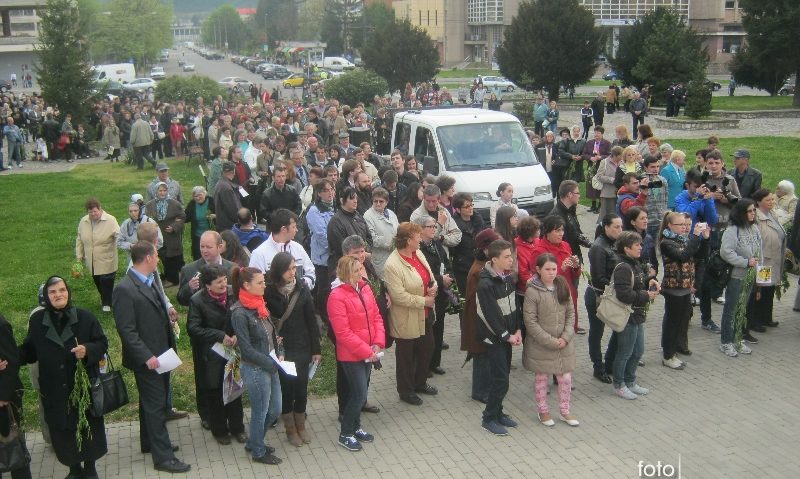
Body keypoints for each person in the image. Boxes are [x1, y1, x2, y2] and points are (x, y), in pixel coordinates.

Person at [19, 276, 108, 479]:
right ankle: (74, 469)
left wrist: (88, 350)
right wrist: (10, 358)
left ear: (68, 292)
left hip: (81, 387)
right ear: (46, 297)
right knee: (63, 430)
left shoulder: (85, 318)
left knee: (87, 426)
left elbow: (102, 343)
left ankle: (90, 468)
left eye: (61, 290)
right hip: (55, 388)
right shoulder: (37, 321)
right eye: (52, 292)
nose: (58, 294)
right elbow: (30, 350)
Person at [113, 242, 190, 473]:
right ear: (147, 258)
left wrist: (168, 315)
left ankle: (148, 442)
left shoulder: (150, 279)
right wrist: (146, 356)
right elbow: (126, 330)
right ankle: (163, 458)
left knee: (151, 403)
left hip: (162, 354)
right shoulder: (125, 289)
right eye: (156, 255)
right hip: (148, 360)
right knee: (156, 406)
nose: (158, 259)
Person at [327, 256, 385, 451]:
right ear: (344, 273)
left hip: (369, 352)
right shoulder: (336, 296)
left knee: (361, 392)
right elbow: (342, 333)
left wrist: (377, 342)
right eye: (355, 270)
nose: (360, 273)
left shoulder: (365, 288)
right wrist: (366, 350)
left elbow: (376, 316)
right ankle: (345, 433)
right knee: (359, 394)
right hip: (351, 355)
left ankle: (356, 427)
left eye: (360, 268)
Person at [186, 263, 246, 445]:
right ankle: (219, 430)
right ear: (207, 285)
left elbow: (241, 314)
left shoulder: (232, 293)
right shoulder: (197, 301)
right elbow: (193, 328)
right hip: (211, 355)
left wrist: (236, 333)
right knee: (215, 393)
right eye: (219, 282)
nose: (224, 285)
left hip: (232, 352)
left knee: (234, 390)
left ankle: (238, 428)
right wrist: (220, 336)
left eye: (225, 280)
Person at [229, 266, 283, 465]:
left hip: (271, 365)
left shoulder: (260, 304)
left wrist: (280, 352)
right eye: (260, 282)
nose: (264, 285)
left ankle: (254, 440)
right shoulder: (239, 313)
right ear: (246, 285)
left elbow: (272, 333)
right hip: (255, 369)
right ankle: (258, 452)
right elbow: (246, 349)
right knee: (260, 412)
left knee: (275, 409)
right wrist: (271, 362)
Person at [266, 253, 321, 448]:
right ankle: (290, 428)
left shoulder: (302, 288)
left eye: (295, 268)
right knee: (287, 389)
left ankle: (301, 425)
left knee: (301, 388)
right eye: (289, 269)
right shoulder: (269, 292)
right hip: (283, 349)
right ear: (279, 271)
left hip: (302, 346)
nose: (293, 272)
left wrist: (316, 348)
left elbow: (311, 321)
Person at [383, 222, 438, 406]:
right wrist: (424, 301)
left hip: (424, 313)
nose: (421, 239)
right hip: (406, 317)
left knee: (427, 347)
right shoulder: (392, 264)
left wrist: (433, 288)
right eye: (417, 237)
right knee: (406, 355)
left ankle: (420, 382)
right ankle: (406, 390)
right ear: (408, 241)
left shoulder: (418, 253)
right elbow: (398, 296)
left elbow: (429, 277)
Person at [523, 253, 578, 427]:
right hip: (542, 345)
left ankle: (565, 411)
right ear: (538, 270)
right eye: (547, 269)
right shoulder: (532, 291)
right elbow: (530, 322)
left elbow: (571, 313)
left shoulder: (562, 285)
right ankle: (543, 411)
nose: (552, 273)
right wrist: (550, 341)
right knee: (541, 379)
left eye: (554, 269)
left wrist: (566, 336)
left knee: (566, 379)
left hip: (563, 343)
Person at [477, 239, 522, 436]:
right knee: (500, 379)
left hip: (508, 337)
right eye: (506, 257)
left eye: (510, 255)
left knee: (504, 377)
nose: (511, 260)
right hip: (494, 339)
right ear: (494, 259)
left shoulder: (508, 278)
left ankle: (498, 412)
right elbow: (490, 316)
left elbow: (515, 307)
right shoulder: (485, 284)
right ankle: (488, 418)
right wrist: (506, 336)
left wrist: (518, 329)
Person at [611, 231, 659, 400]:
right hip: (628, 315)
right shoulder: (623, 267)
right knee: (625, 352)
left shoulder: (633, 263)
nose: (641, 247)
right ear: (626, 248)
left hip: (637, 314)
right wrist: (647, 295)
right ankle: (619, 384)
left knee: (638, 351)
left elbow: (637, 282)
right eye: (637, 245)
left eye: (640, 244)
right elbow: (624, 295)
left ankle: (630, 381)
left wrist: (648, 280)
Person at [657, 212, 705, 369]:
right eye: (680, 225)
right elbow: (683, 256)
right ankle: (668, 355)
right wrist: (695, 237)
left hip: (685, 287)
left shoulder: (684, 239)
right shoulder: (667, 242)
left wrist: (705, 238)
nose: (685, 228)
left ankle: (675, 349)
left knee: (681, 321)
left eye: (686, 225)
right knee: (672, 322)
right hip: (674, 288)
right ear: (670, 226)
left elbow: (699, 255)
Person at [718, 200, 761, 357]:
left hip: (750, 276)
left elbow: (759, 252)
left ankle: (737, 338)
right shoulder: (732, 230)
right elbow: (726, 252)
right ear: (741, 213)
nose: (752, 214)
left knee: (743, 308)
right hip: (736, 276)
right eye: (749, 211)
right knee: (732, 308)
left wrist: (759, 272)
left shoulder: (755, 228)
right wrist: (745, 262)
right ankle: (726, 341)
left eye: (754, 211)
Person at [415, 216, 454, 376]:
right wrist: (439, 279)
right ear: (421, 230)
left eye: (434, 226)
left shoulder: (436, 244)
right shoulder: (418, 249)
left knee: (439, 328)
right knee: (427, 332)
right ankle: (424, 366)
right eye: (430, 226)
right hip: (428, 293)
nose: (433, 229)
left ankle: (435, 363)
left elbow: (446, 262)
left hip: (441, 293)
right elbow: (421, 273)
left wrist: (449, 276)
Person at [586, 214, 622, 383]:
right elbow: (598, 277)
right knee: (596, 331)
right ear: (606, 227)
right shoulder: (598, 247)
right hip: (598, 295)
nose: (620, 230)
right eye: (616, 227)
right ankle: (598, 367)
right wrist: (620, 286)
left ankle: (610, 361)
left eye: (621, 227)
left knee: (619, 327)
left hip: (613, 294)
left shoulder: (616, 243)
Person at [745, 189, 785, 338]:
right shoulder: (756, 217)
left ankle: (767, 317)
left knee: (770, 289)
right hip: (764, 259)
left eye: (772, 200)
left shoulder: (772, 214)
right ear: (759, 201)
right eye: (768, 200)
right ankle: (756, 320)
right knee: (760, 290)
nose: (772, 202)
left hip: (774, 258)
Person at [532, 216, 582, 333]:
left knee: (568, 332)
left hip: (567, 292)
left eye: (562, 230)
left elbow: (574, 275)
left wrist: (575, 267)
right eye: (557, 230)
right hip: (551, 297)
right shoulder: (539, 251)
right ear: (548, 232)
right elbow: (538, 279)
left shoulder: (565, 245)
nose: (561, 234)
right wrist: (561, 269)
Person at [0, 313, 32, 479]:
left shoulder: (0, 324)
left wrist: (3, 396)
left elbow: (12, 360)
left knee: (14, 443)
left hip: (5, 398)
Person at [76, 198, 120, 312]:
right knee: (98, 281)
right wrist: (79, 257)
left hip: (107, 258)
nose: (93, 214)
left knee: (106, 281)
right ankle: (106, 298)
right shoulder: (83, 221)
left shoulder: (111, 220)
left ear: (100, 209)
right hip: (92, 260)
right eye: (90, 212)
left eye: (95, 211)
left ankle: (107, 304)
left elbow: (118, 235)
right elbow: (80, 239)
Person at [144, 182, 186, 287]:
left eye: (164, 190)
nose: (162, 193)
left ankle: (173, 280)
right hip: (157, 235)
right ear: (156, 191)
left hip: (170, 235)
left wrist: (174, 226)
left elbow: (182, 217)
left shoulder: (174, 204)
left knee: (171, 256)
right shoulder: (150, 205)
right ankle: (164, 277)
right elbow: (146, 219)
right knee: (160, 256)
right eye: (160, 190)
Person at [327, 187, 372, 279]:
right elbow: (341, 247)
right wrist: (361, 253)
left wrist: (366, 251)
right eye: (351, 198)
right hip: (344, 267)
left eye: (356, 198)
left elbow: (368, 237)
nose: (355, 201)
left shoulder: (358, 215)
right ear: (342, 200)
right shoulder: (335, 221)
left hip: (362, 263)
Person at [363, 187, 399, 278]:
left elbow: (399, 230)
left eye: (381, 201)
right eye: (375, 201)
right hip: (380, 258)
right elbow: (372, 239)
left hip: (395, 255)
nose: (378, 204)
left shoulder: (391, 214)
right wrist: (392, 243)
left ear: (386, 202)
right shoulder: (368, 216)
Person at [549, 180, 587, 266]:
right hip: (565, 260)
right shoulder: (555, 216)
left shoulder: (571, 210)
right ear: (569, 195)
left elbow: (574, 231)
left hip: (574, 255)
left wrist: (583, 240)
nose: (579, 196)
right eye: (577, 193)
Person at [185, 186, 215, 261]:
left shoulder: (212, 201)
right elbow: (185, 217)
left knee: (212, 255)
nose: (198, 198)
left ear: (205, 193)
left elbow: (222, 212)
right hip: (198, 236)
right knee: (198, 257)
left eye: (200, 195)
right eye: (195, 196)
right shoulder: (192, 204)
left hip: (212, 234)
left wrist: (215, 216)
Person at [594, 146, 623, 220]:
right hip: (608, 193)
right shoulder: (604, 162)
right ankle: (602, 229)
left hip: (620, 192)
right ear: (615, 155)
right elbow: (599, 176)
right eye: (621, 155)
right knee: (606, 215)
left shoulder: (622, 162)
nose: (622, 157)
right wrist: (612, 180)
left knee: (617, 215)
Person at [214, 162, 244, 232]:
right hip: (228, 226)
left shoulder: (220, 183)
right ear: (233, 171)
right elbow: (233, 209)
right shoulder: (227, 188)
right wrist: (241, 221)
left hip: (223, 225)